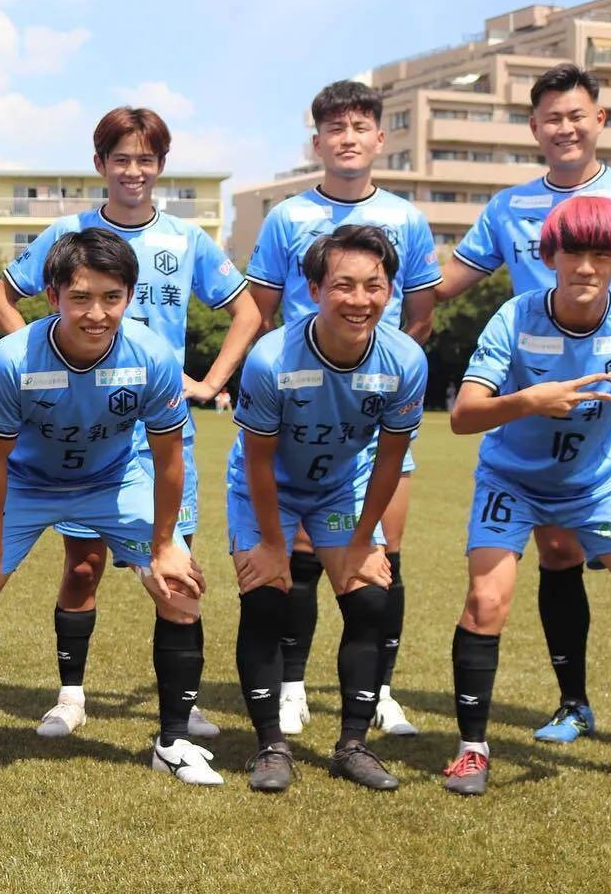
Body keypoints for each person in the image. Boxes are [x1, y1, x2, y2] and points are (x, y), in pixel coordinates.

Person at [435, 63, 611, 754]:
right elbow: (445, 283)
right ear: (534, 128)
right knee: (556, 550)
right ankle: (573, 702)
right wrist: (370, 286)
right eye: (552, 118)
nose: (565, 128)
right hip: (541, 397)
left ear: (599, 119)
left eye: (577, 115)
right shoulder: (508, 206)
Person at [0, 107, 258, 740]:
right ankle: (71, 696)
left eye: (145, 159)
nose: (133, 171)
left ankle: (180, 705)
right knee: (82, 566)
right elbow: (1, 295)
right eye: (121, 159)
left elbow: (247, 312)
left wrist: (209, 383)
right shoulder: (69, 232)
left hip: (159, 432)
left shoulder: (186, 239)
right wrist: (36, 358)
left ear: (161, 166)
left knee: (173, 566)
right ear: (100, 164)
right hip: (81, 430)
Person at [0, 227, 210, 788]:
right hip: (28, 484)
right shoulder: (12, 359)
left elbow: (167, 459)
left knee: (180, 590)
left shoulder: (151, 355)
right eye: (81, 297)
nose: (97, 313)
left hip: (114, 481)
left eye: (112, 297)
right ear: (53, 295)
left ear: (129, 296)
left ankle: (173, 742)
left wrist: (164, 546)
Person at [244, 80, 439, 739]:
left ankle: (379, 690)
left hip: (373, 406)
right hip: (297, 405)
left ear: (380, 138)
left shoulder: (406, 218)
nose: (348, 138)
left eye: (360, 127)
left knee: (382, 553)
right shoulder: (287, 216)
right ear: (317, 141)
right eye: (335, 128)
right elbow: (261, 313)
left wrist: (378, 382)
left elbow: (420, 317)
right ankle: (292, 686)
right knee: (298, 551)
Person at [231, 225, 426, 793]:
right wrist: (273, 544)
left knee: (369, 600)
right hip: (267, 487)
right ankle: (271, 746)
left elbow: (390, 459)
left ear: (390, 291)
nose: (360, 300)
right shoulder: (271, 357)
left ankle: (353, 746)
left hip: (341, 488)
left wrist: (364, 540)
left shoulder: (405, 359)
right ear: (315, 289)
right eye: (344, 285)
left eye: (374, 285)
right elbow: (258, 461)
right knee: (266, 599)